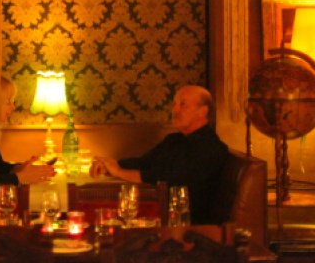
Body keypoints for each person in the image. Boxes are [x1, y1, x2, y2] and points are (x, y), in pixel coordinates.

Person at [90, 85, 228, 225]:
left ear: (202, 111)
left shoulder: (212, 148)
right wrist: (110, 165)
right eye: (174, 104)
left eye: (182, 104)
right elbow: (144, 162)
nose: (175, 109)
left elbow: (168, 180)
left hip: (189, 227)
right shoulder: (173, 140)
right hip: (161, 217)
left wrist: (120, 172)